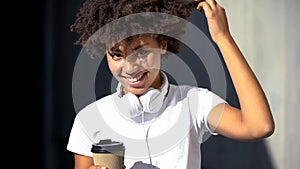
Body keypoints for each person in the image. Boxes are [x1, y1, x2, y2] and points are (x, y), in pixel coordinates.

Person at [67, 0, 275, 169]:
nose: (129, 68)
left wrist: (223, 38)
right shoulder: (90, 119)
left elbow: (259, 127)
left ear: (163, 46)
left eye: (141, 52)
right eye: (117, 55)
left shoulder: (194, 103)